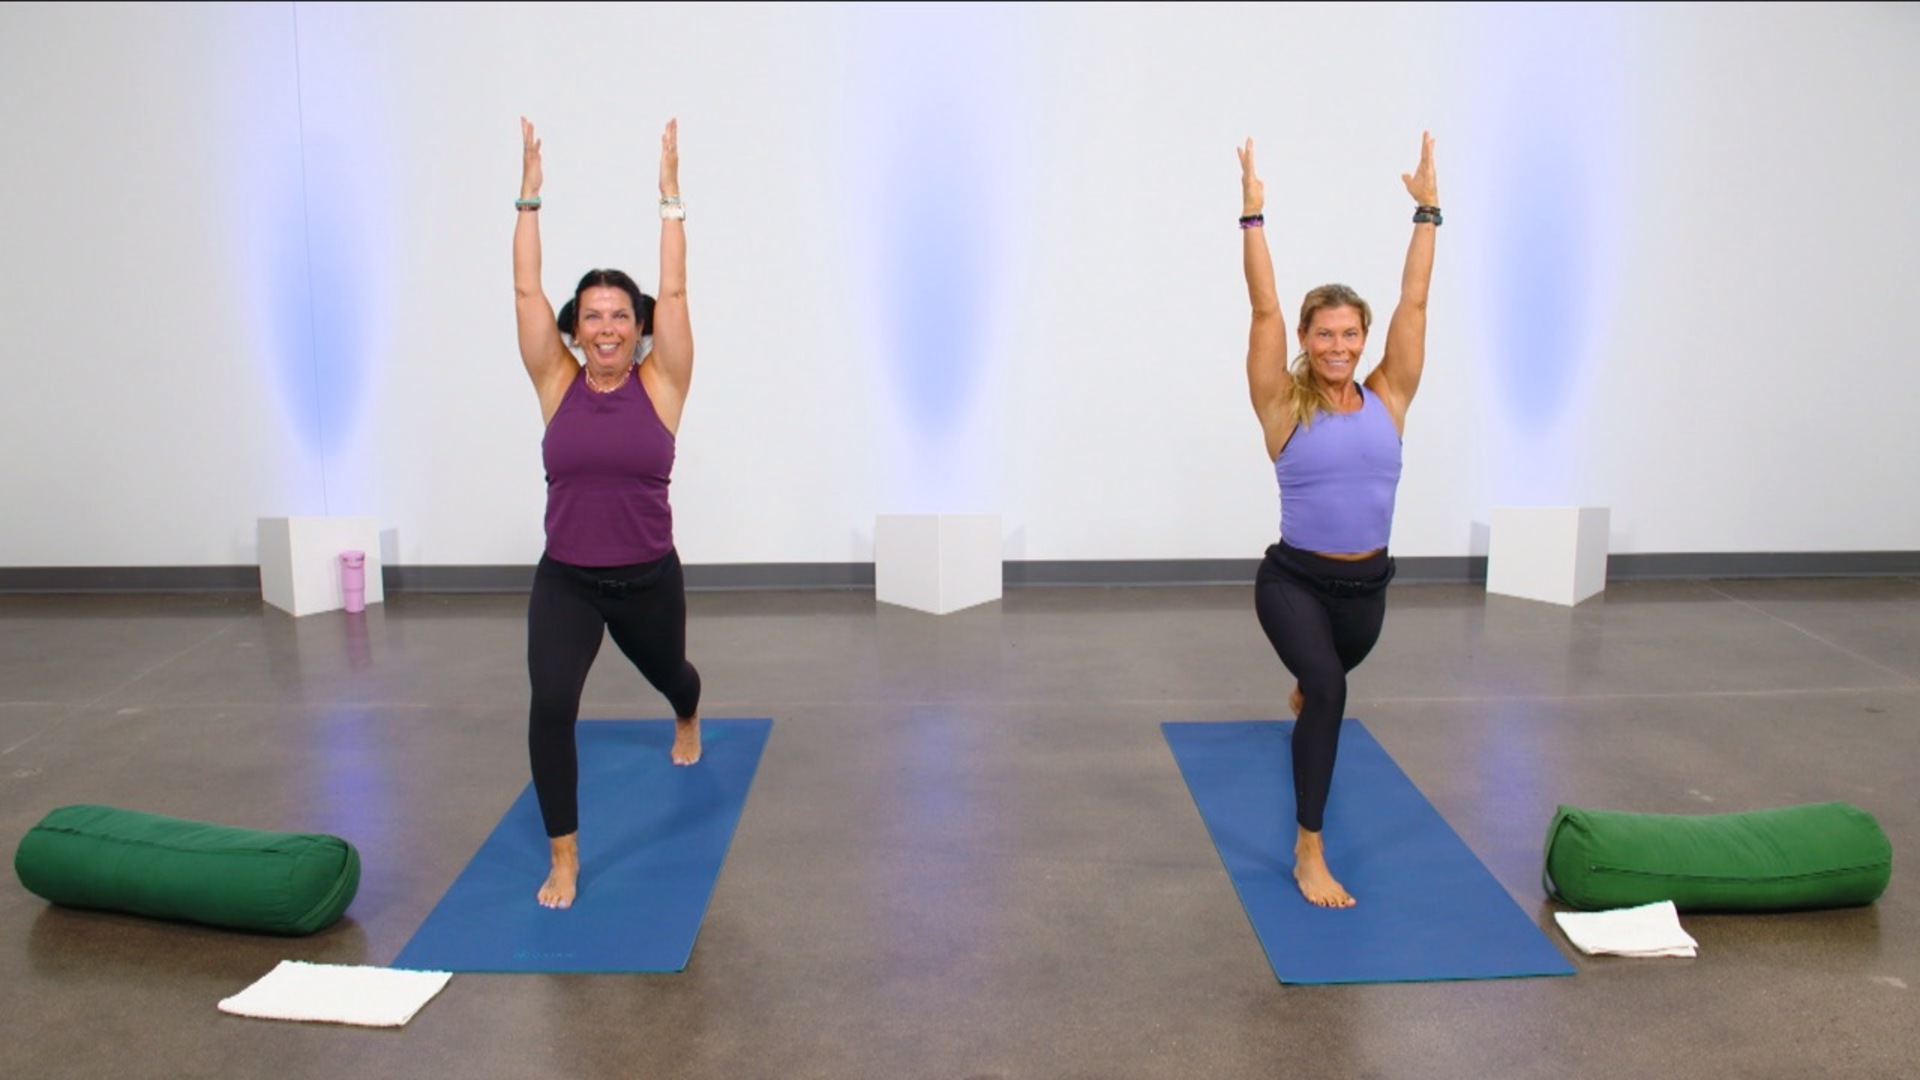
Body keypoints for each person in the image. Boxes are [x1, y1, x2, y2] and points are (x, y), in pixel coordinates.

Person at [1238, 131, 1439, 908]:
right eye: (1324, 333)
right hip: (1293, 581)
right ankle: (1309, 850)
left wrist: (1427, 209)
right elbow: (1262, 306)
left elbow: (1413, 302)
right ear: (1306, 341)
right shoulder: (1282, 403)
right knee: (1326, 690)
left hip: (1368, 595)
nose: (1338, 345)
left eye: (1350, 334)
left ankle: (1309, 685)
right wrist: (1253, 219)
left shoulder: (1389, 397)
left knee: (1330, 673)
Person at [514, 116, 703, 910]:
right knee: (552, 704)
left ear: (641, 326)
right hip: (569, 582)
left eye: (621, 314)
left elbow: (682, 291)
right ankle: (565, 856)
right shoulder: (554, 381)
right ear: (576, 329)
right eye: (591, 315)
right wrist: (527, 200)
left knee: (672, 674)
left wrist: (669, 202)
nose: (605, 327)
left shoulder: (663, 385)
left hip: (649, 579)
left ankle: (688, 713)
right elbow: (526, 289)